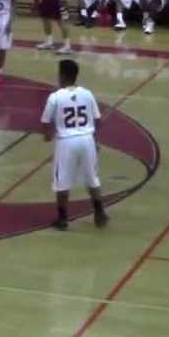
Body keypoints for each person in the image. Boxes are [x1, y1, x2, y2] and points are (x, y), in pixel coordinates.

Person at [40, 59, 108, 231]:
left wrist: (47, 136)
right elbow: (98, 119)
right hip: (87, 139)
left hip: (66, 142)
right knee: (92, 177)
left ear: (62, 76)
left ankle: (62, 218)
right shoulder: (87, 93)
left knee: (62, 180)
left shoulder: (55, 97)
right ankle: (99, 211)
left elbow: (46, 122)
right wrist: (95, 140)